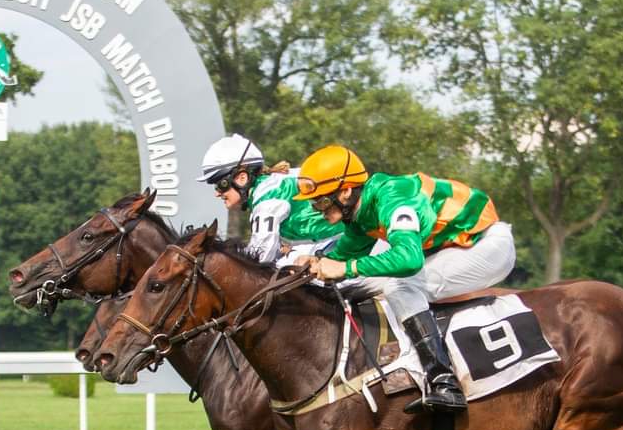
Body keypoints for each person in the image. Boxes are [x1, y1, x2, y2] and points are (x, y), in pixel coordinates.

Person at [293, 145, 516, 413]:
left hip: (486, 245)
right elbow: (342, 258)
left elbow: (408, 260)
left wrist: (346, 267)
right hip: (453, 249)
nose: (317, 209)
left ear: (345, 191)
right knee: (362, 284)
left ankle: (443, 381)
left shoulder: (393, 197)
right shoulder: (360, 214)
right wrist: (315, 262)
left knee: (400, 285)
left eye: (321, 201)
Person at [197, 134, 339, 264]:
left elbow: (260, 256)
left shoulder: (267, 200)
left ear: (242, 178)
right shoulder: (270, 184)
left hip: (346, 243)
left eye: (220, 185)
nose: (217, 193)